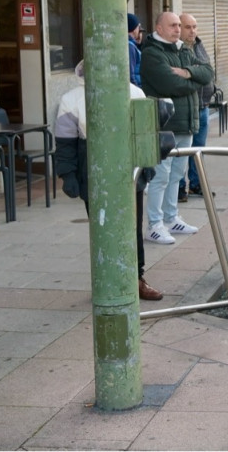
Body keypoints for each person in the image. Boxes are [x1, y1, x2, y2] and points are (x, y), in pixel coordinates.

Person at [54, 61, 162, 301]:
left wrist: (148, 163)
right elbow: (65, 143)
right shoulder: (72, 99)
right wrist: (68, 174)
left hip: (129, 171)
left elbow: (144, 133)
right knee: (100, 227)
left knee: (133, 227)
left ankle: (136, 278)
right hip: (91, 173)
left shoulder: (134, 93)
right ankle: (107, 280)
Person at [140, 11, 214, 245]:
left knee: (176, 176)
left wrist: (188, 73)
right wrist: (192, 81)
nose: (177, 29)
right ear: (159, 28)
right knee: (160, 176)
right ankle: (155, 224)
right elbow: (169, 84)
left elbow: (208, 73)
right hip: (166, 125)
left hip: (187, 124)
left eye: (178, 26)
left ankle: (171, 218)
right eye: (173, 25)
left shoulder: (183, 49)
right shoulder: (152, 53)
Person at [177, 13, 214, 203]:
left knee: (199, 149)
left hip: (203, 105)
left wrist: (197, 73)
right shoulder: (177, 49)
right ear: (178, 28)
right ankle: (180, 187)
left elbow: (207, 72)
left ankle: (197, 184)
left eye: (194, 26)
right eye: (188, 27)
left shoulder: (199, 45)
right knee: (182, 149)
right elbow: (191, 74)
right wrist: (197, 73)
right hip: (186, 108)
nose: (192, 31)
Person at [127, 13, 143, 86]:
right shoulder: (130, 46)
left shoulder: (130, 45)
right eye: (138, 27)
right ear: (134, 29)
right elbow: (130, 73)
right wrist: (137, 91)